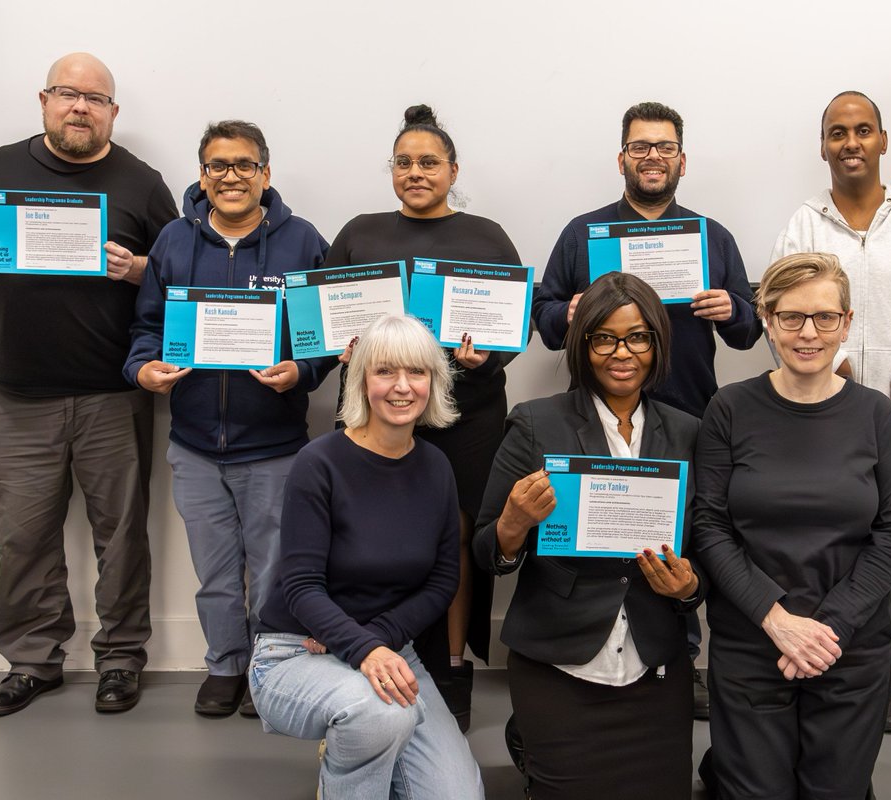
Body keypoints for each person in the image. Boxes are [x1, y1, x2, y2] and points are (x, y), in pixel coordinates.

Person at [0, 53, 177, 716]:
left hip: (113, 396)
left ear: (113, 112)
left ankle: (121, 658)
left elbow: (178, 271)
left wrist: (134, 268)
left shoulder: (141, 182)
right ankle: (32, 661)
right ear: (44, 100)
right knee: (22, 536)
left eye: (95, 98)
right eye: (68, 94)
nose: (80, 107)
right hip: (17, 395)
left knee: (121, 535)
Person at [531, 101, 762, 716]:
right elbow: (544, 318)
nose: (652, 156)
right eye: (640, 147)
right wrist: (569, 310)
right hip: (597, 418)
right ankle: (588, 653)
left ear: (683, 160)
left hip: (687, 416)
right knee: (602, 539)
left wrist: (732, 308)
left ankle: (680, 658)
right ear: (622, 159)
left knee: (683, 542)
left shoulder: (712, 236)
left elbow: (749, 330)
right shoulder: (584, 233)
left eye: (664, 147)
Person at [124, 121, 334, 717]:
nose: (231, 176)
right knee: (214, 574)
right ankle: (225, 664)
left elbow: (323, 337)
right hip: (194, 446)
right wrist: (142, 369)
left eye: (244, 165)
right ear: (202, 174)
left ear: (265, 173)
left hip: (274, 447)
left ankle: (270, 669)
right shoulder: (173, 240)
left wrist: (302, 371)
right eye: (218, 165)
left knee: (273, 571)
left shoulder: (302, 241)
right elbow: (147, 326)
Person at [324, 104, 522, 730]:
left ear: (453, 171)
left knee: (456, 536)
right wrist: (337, 347)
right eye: (404, 162)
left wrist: (486, 357)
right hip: (375, 414)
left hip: (467, 414)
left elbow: (512, 328)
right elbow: (322, 318)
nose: (415, 172)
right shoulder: (359, 233)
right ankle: (367, 649)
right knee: (365, 533)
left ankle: (453, 665)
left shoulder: (487, 237)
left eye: (429, 162)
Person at [474, 272, 703, 800]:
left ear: (657, 344)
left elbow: (708, 546)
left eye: (638, 337)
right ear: (583, 344)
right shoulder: (536, 423)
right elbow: (486, 551)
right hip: (558, 663)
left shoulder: (688, 431)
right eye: (605, 338)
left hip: (655, 663)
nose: (622, 353)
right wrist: (513, 524)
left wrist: (690, 587)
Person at [693, 253, 891, 799]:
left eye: (824, 317)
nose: (808, 333)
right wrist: (776, 620)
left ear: (847, 323)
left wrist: (826, 629)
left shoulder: (876, 414)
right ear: (767, 321)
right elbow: (710, 526)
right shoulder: (729, 408)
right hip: (752, 638)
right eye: (791, 317)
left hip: (848, 643)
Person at [772, 91, 891, 732]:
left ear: (883, 140)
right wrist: (841, 376)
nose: (851, 142)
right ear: (823, 145)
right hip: (821, 416)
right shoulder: (803, 225)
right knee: (831, 543)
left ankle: (885, 667)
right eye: (837, 132)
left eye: (863, 130)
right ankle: (823, 653)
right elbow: (785, 310)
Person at [249, 314, 483, 800]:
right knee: (378, 716)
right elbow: (301, 586)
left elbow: (443, 580)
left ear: (434, 382)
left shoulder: (436, 467)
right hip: (296, 650)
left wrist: (370, 644)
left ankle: (358, 744)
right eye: (385, 371)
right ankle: (355, 749)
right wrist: (357, 647)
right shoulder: (319, 463)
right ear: (361, 381)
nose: (402, 386)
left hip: (389, 650)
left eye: (417, 372)